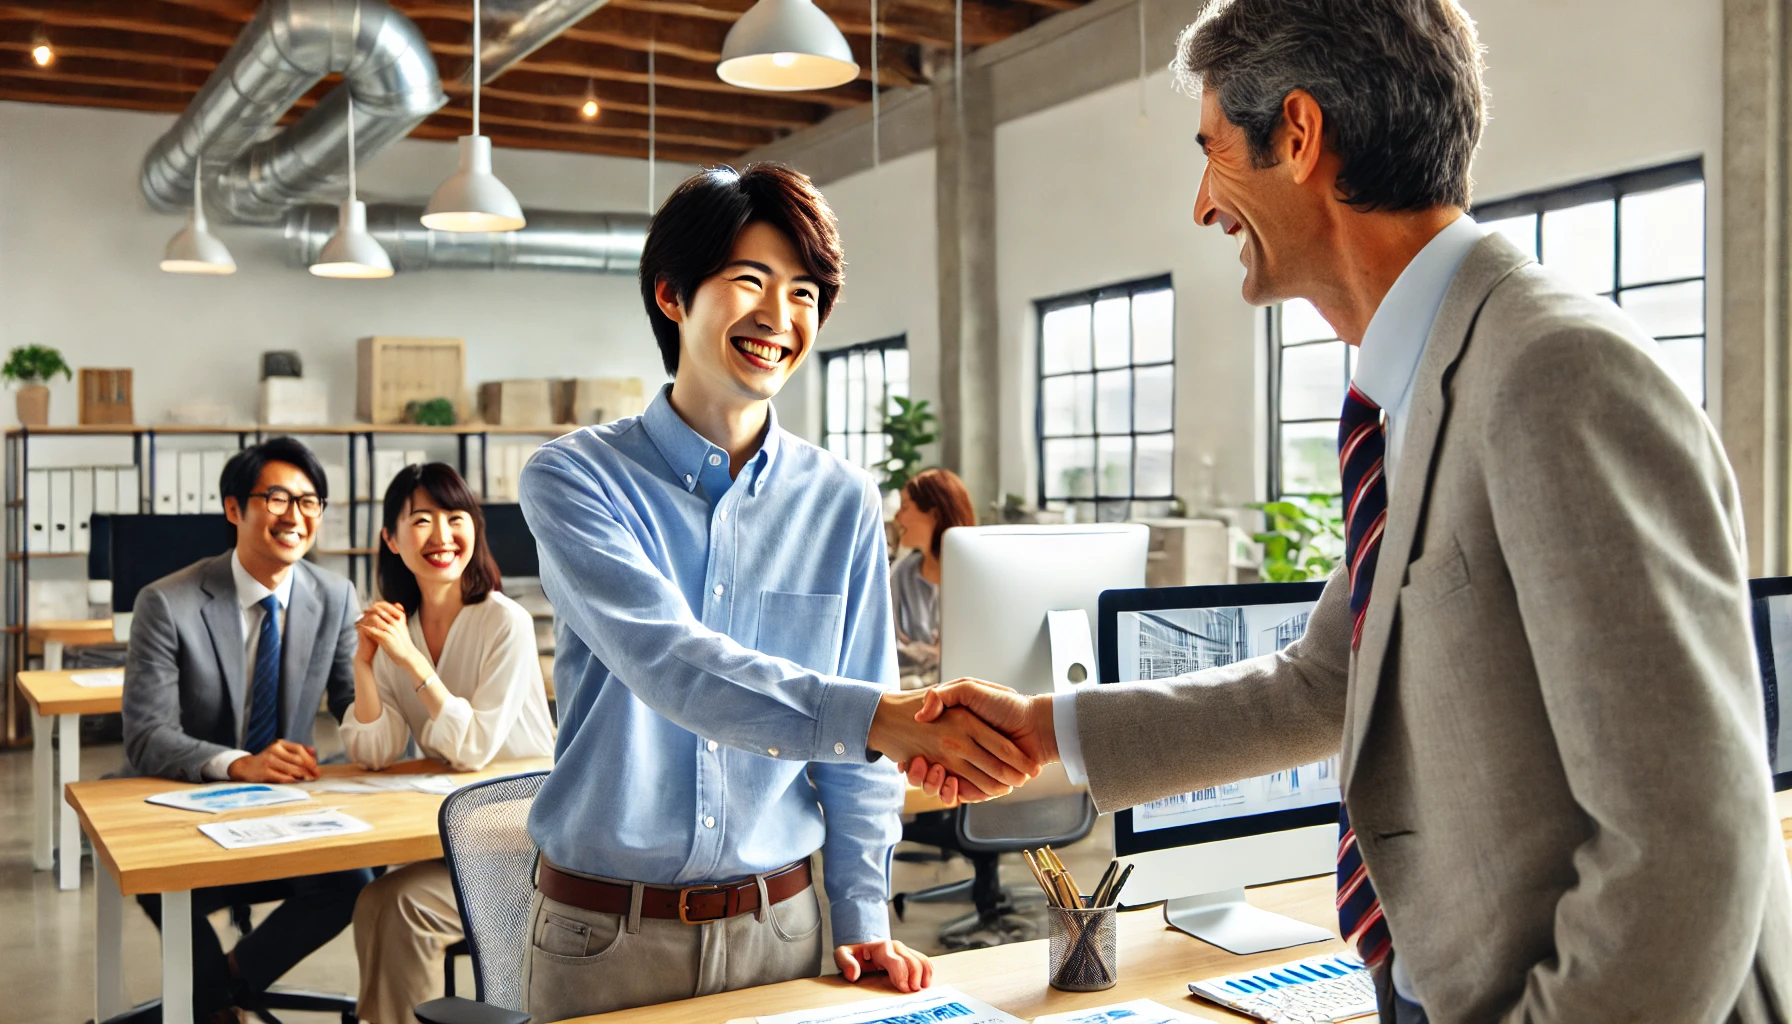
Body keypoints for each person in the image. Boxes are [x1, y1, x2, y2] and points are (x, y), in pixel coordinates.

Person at [904, 1, 1792, 1022]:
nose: (1203, 205)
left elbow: (1689, 841)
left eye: (1211, 151)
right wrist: (1045, 728)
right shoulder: (1416, 387)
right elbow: (1325, 680)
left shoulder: (1554, 372)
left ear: (1296, 134)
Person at [515, 163, 1038, 1023]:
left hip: (785, 930)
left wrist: (865, 912)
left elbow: (857, 761)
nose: (779, 316)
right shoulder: (576, 478)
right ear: (673, 296)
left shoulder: (839, 500)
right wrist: (878, 716)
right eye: (749, 281)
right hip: (608, 938)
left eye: (804, 292)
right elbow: (668, 662)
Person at [121, 437, 370, 1024]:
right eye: (277, 498)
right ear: (235, 508)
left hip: (287, 807)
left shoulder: (333, 595)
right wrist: (240, 762)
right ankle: (212, 1004)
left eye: (310, 502)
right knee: (163, 878)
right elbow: (146, 735)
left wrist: (400, 681)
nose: (296, 517)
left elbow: (353, 704)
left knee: (355, 880)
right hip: (187, 803)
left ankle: (221, 987)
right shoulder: (167, 602)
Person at [342, 462, 556, 1024]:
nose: (441, 535)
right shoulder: (399, 626)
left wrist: (411, 663)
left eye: (456, 518)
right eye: (421, 520)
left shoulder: (504, 622)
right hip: (459, 828)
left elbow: (475, 747)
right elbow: (374, 752)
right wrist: (366, 667)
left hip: (526, 839)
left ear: (474, 530)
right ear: (390, 538)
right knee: (378, 900)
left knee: (400, 904)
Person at [889, 468, 976, 686]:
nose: (897, 517)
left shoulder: (976, 576)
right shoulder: (902, 574)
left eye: (905, 507)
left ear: (935, 515)